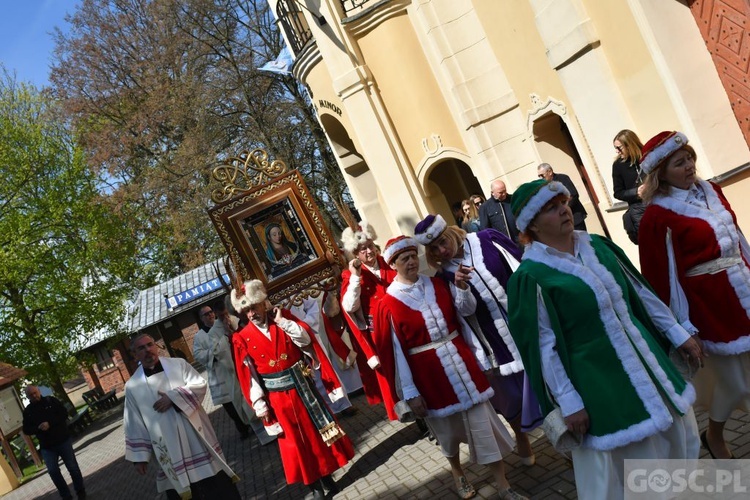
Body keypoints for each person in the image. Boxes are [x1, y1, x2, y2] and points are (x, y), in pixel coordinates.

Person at [506, 179, 703, 500]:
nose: (563, 211)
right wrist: (569, 400)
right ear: (533, 225)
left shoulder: (598, 246)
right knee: (637, 469)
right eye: (551, 209)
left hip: (649, 365)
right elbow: (543, 347)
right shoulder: (531, 277)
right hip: (601, 385)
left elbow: (640, 292)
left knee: (682, 440)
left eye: (563, 204)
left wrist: (678, 334)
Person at [373, 236, 527, 500]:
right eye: (403, 259)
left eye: (413, 256)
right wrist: (410, 393)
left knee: (485, 427)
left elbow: (464, 317)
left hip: (463, 365)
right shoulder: (388, 304)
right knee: (448, 434)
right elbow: (395, 354)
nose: (411, 262)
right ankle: (457, 472)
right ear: (394, 264)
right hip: (430, 377)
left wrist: (463, 290)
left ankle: (503, 486)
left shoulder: (436, 284)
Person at [638, 130, 750, 459]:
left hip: (743, 285)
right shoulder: (657, 217)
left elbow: (737, 237)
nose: (689, 166)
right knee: (734, 383)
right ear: (661, 173)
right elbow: (661, 278)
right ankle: (714, 435)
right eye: (679, 162)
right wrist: (681, 327)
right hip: (711, 305)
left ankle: (713, 435)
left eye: (689, 158)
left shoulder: (711, 190)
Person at [414, 214, 540, 466]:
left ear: (450, 232)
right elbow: (466, 311)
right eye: (435, 248)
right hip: (491, 340)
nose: (442, 250)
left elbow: (520, 267)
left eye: (443, 242)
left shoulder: (487, 239)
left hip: (524, 323)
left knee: (543, 380)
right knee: (512, 396)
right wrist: (460, 287)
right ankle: (521, 435)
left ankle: (565, 438)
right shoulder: (444, 277)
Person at [230, 280, 354, 499]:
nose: (251, 314)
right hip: (278, 399)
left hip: (303, 391)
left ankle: (327, 476)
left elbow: (306, 340)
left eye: (254, 307)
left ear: (263, 304)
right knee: (295, 444)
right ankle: (313, 486)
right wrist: (260, 405)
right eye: (246, 310)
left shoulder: (283, 319)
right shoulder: (242, 338)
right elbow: (249, 376)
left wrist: (284, 323)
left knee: (316, 435)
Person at [124, 333, 240, 499]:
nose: (148, 350)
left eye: (150, 345)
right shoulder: (133, 386)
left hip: (196, 439)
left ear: (156, 346)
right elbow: (134, 422)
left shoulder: (178, 365)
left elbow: (199, 384)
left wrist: (173, 397)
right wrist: (139, 458)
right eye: (141, 348)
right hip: (170, 451)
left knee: (217, 488)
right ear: (135, 354)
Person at [192, 302, 273, 444]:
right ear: (201, 318)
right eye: (206, 314)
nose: (210, 315)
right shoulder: (204, 335)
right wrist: (220, 348)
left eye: (211, 312)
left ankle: (271, 426)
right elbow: (207, 353)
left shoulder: (234, 321)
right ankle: (256, 433)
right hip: (226, 372)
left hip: (244, 365)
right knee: (240, 404)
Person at [339, 221, 392, 405]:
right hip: (380, 333)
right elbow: (349, 307)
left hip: (402, 324)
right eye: (363, 250)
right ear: (355, 254)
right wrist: (355, 277)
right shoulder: (350, 276)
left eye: (370, 246)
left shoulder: (388, 263)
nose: (369, 252)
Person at [289, 295, 358, 416]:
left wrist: (305, 325)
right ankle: (328, 410)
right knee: (310, 376)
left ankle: (344, 404)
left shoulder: (295, 291)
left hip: (310, 332)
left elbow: (312, 306)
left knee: (325, 369)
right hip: (290, 338)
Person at [22, 385, 86, 500]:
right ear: (27, 397)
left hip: (62, 440)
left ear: (39, 391)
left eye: (35, 393)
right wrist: (38, 428)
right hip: (47, 446)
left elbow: (63, 414)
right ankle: (66, 496)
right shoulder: (28, 411)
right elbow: (26, 429)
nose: (34, 396)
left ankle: (80, 492)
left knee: (72, 468)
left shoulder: (51, 401)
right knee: (53, 472)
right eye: (31, 395)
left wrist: (50, 423)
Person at [612, 129, 646, 244]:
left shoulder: (648, 155)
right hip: (639, 210)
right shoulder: (618, 166)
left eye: (619, 148)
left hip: (661, 203)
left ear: (629, 145)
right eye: (615, 148)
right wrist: (636, 192)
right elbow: (618, 192)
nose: (617, 152)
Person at [537, 163, 587, 230]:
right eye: (539, 176)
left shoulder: (563, 178)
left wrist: (564, 209)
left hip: (575, 218)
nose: (541, 178)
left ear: (550, 172)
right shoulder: (544, 186)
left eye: (542, 175)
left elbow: (573, 195)